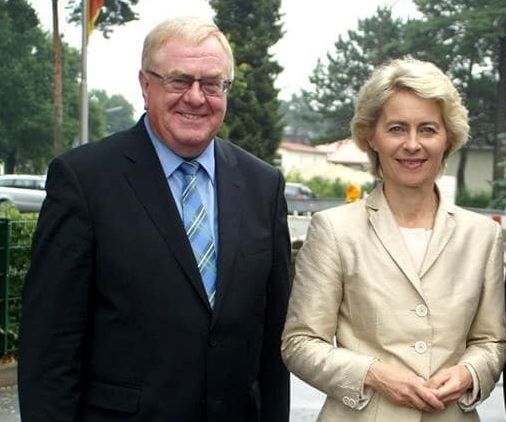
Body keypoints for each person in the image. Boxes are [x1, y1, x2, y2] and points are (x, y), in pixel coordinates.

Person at [18, 16, 291, 422]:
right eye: (179, 81)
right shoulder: (84, 181)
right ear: (146, 85)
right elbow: (50, 345)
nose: (196, 98)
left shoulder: (263, 186)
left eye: (212, 83)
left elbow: (273, 344)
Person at [281, 57, 506, 421]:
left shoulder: (483, 237)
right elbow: (300, 344)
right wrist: (372, 373)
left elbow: (491, 342)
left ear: (448, 137)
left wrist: (470, 372)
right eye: (397, 128)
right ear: (371, 135)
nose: (413, 144)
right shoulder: (334, 229)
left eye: (428, 129)